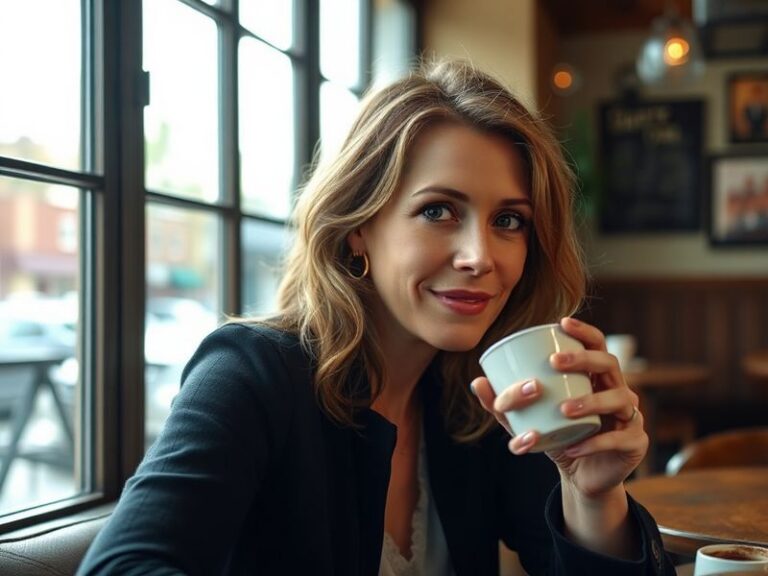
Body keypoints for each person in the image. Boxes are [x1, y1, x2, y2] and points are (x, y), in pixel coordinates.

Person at [78, 59, 674, 575]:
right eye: (439, 210)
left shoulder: (483, 398)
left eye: (509, 221)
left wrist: (595, 496)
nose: (480, 257)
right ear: (358, 226)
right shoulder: (252, 372)